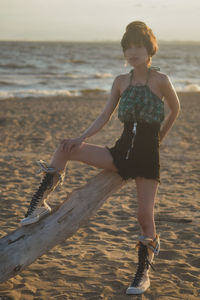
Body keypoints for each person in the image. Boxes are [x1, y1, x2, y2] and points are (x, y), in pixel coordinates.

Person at [20, 21, 180, 295]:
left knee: (144, 216)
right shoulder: (120, 81)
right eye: (127, 46)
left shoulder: (160, 80)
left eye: (138, 45)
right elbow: (104, 116)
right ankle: (39, 205)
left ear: (149, 48)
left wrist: (159, 140)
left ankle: (143, 273)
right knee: (65, 148)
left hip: (147, 158)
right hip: (120, 153)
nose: (132, 51)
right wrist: (80, 138)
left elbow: (175, 110)